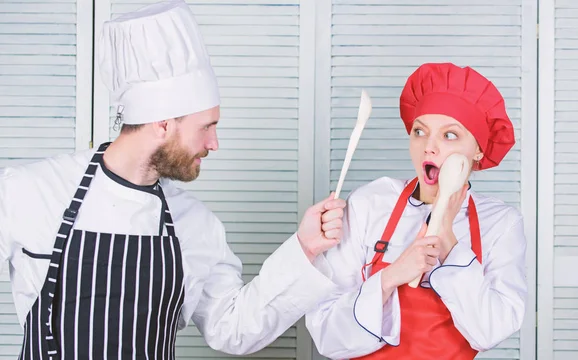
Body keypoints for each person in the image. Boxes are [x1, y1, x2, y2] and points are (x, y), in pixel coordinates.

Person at [0, 1, 346, 359]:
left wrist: (304, 248)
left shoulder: (195, 225)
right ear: (163, 123)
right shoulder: (29, 192)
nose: (214, 143)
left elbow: (232, 328)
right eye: (206, 127)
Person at [305, 62, 528, 360]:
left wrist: (448, 240)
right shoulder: (371, 203)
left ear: (477, 150)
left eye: (450, 135)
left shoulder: (501, 224)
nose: (429, 147)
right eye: (420, 131)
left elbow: (489, 331)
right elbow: (327, 334)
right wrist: (391, 277)